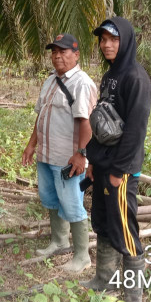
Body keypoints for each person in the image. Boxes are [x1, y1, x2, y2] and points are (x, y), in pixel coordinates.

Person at [82, 17, 151, 302]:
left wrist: (118, 170)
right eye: (102, 39)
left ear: (125, 41)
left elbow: (136, 131)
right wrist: (92, 161)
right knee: (103, 222)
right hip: (103, 164)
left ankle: (133, 301)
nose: (107, 44)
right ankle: (104, 279)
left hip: (120, 170)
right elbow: (101, 122)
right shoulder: (111, 74)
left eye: (113, 39)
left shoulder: (136, 79)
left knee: (125, 229)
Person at [22, 33, 97, 273]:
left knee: (72, 202)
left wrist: (81, 153)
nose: (57, 56)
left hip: (68, 158)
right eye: (54, 52)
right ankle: (59, 241)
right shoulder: (50, 80)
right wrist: (32, 144)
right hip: (47, 153)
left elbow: (87, 123)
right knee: (50, 198)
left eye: (63, 52)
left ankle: (82, 255)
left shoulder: (81, 83)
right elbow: (40, 115)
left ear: (76, 55)